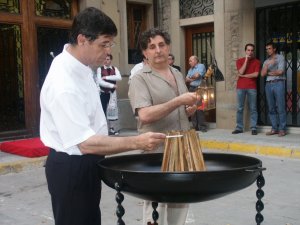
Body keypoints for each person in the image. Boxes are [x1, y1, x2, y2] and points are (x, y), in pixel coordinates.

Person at [39, 7, 166, 225]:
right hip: (72, 166)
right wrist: (137, 142)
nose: (108, 52)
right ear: (82, 39)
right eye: (103, 44)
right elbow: (85, 143)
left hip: (86, 163)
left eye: (110, 44)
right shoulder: (64, 82)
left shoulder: (81, 66)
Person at [128, 27, 198, 225]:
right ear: (144, 52)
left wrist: (188, 109)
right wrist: (177, 101)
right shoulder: (139, 79)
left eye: (161, 45)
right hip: (156, 153)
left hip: (183, 149)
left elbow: (181, 110)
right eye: (151, 47)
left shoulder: (176, 73)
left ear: (168, 47)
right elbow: (145, 114)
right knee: (155, 209)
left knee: (181, 205)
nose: (157, 50)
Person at [232, 43, 261, 135]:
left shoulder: (257, 62)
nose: (250, 52)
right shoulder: (240, 61)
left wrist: (243, 76)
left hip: (252, 87)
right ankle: (239, 128)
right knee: (240, 108)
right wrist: (246, 60)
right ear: (245, 51)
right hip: (241, 87)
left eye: (252, 50)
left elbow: (255, 75)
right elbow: (240, 71)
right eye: (248, 50)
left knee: (253, 108)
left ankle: (253, 127)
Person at [261, 41, 287, 137]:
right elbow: (262, 74)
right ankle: (274, 128)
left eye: (269, 48)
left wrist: (269, 73)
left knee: (280, 107)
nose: (268, 50)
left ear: (274, 49)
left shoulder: (280, 57)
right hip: (268, 85)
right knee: (271, 108)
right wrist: (268, 65)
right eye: (267, 49)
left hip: (278, 83)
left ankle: (282, 129)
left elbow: (280, 71)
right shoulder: (266, 61)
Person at [186, 55, 207, 132]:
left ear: (195, 61)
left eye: (190, 61)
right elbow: (186, 79)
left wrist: (191, 78)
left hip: (199, 88)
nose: (189, 63)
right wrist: (193, 78)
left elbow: (198, 75)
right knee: (192, 108)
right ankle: (195, 127)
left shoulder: (201, 66)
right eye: (189, 61)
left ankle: (202, 127)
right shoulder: (190, 69)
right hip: (191, 89)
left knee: (200, 108)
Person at [97, 54, 122, 118]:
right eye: (105, 59)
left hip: (112, 93)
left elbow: (119, 77)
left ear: (111, 60)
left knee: (112, 110)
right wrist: (112, 85)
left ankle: (111, 127)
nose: (106, 61)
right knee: (103, 110)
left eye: (107, 59)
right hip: (103, 93)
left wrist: (106, 77)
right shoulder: (100, 69)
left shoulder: (114, 68)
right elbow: (100, 82)